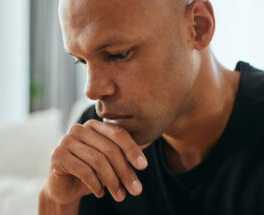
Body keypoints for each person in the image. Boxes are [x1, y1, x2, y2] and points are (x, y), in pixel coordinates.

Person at [38, 0, 264, 214]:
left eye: (118, 54)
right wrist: (60, 201)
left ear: (198, 26)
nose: (92, 91)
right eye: (83, 61)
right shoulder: (95, 148)